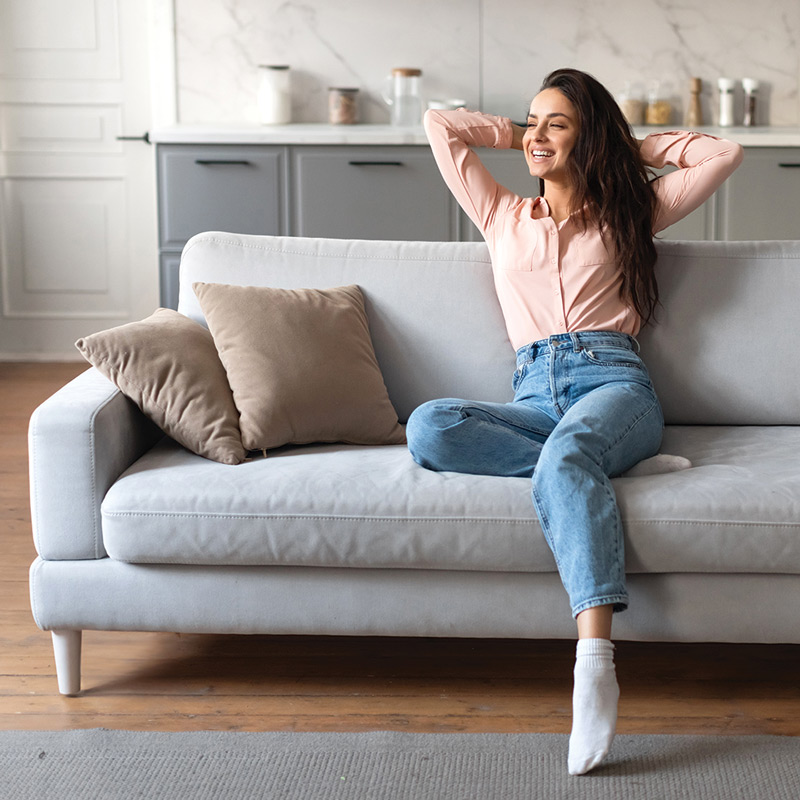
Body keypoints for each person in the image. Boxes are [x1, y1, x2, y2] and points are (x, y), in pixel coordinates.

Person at [406, 68, 743, 775]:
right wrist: (520, 132)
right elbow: (441, 126)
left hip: (614, 384)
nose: (536, 135)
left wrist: (622, 142)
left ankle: (594, 667)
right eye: (532, 122)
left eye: (557, 123)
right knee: (430, 427)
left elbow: (722, 154)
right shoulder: (500, 214)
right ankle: (602, 464)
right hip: (532, 394)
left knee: (564, 459)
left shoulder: (632, 211)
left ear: (589, 138)